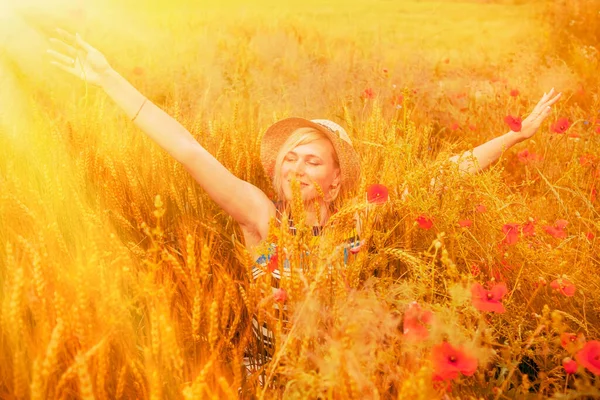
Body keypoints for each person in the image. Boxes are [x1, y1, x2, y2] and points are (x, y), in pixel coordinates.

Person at [46, 28, 562, 385]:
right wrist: (108, 78)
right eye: (289, 158)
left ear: (337, 182)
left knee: (416, 317)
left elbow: (447, 173)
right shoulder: (261, 217)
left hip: (345, 365)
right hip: (277, 374)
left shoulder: (356, 222)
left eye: (312, 160)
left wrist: (515, 138)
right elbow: (188, 150)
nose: (295, 166)